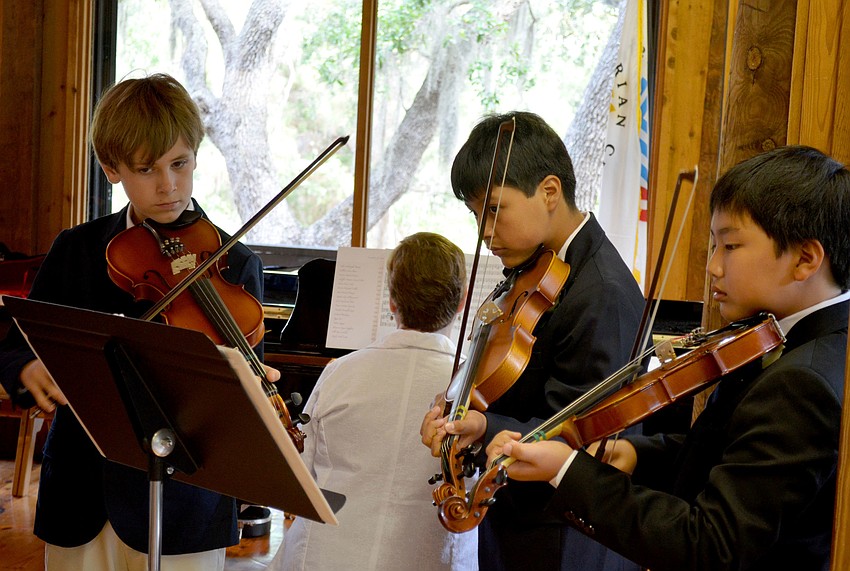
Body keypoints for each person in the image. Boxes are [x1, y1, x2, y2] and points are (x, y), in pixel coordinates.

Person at [490, 145, 850, 571]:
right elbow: (730, 454)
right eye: (713, 245)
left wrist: (568, 471)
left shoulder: (802, 383)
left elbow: (711, 545)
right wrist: (638, 454)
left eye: (730, 246)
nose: (713, 267)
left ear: (805, 259)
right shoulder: (796, 339)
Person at [0, 73, 272, 570]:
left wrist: (249, 391)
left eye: (179, 163)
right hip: (80, 492)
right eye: (146, 169)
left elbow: (238, 397)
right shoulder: (77, 250)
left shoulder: (234, 264)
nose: (168, 185)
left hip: (186, 502)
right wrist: (26, 367)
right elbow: (15, 342)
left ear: (196, 156)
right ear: (111, 169)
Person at [420, 111, 645, 570]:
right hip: (519, 523)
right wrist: (458, 409)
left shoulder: (601, 291)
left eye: (494, 209)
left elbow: (581, 434)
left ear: (549, 192)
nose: (484, 231)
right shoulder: (534, 267)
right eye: (475, 214)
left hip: (562, 537)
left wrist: (484, 427)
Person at [269, 231, 478, 571]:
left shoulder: (339, 372)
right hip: (430, 558)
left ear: (391, 302)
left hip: (326, 556)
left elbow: (300, 475)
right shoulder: (475, 387)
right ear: (462, 303)